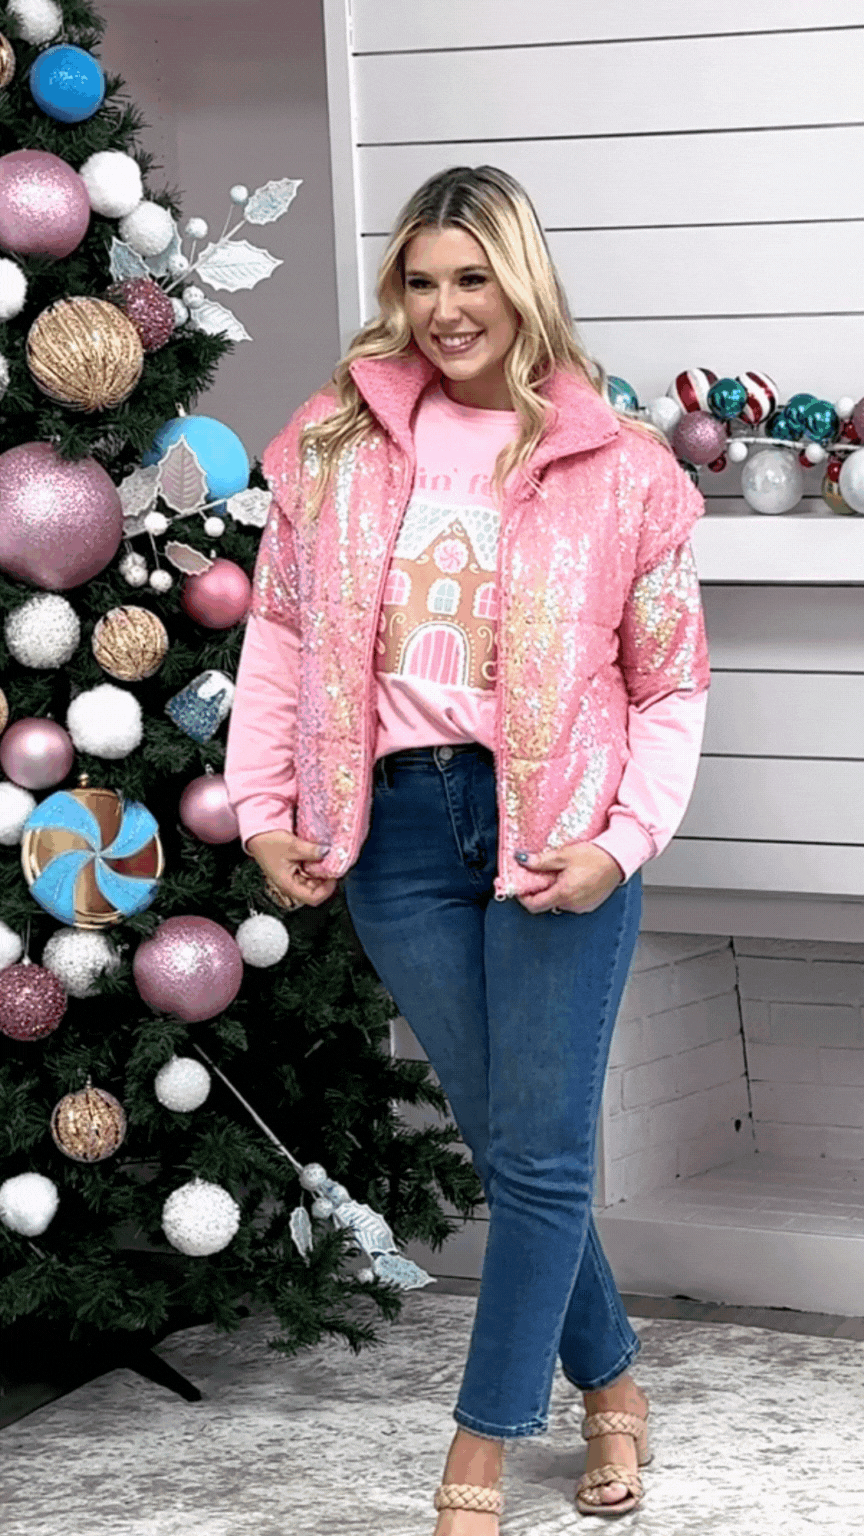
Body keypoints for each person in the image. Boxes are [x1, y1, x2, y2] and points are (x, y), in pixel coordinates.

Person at [224, 164, 710, 1531]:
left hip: (557, 832)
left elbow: (671, 683)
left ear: (522, 283)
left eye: (472, 278)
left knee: (540, 1155)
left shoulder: (624, 466)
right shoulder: (335, 443)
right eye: (423, 281)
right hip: (396, 833)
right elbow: (281, 638)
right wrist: (264, 809)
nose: (445, 309)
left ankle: (482, 1452)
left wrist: (624, 842)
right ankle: (613, 1381)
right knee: (509, 1147)